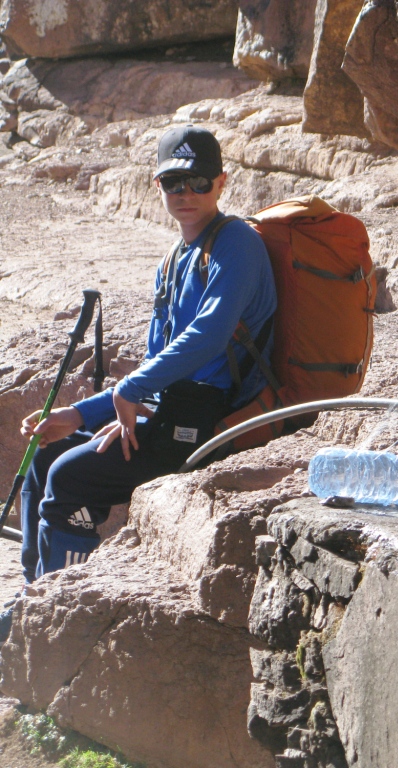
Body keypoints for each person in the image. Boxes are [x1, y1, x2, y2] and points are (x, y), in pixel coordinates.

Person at [13, 125, 277, 585]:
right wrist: (77, 415)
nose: (186, 192)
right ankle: (30, 602)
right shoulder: (177, 257)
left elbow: (209, 335)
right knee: (43, 455)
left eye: (199, 181)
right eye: (175, 182)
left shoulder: (237, 243)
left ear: (222, 182)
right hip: (169, 415)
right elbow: (156, 365)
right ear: (158, 186)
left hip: (211, 421)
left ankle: (58, 605)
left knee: (71, 477)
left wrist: (134, 390)